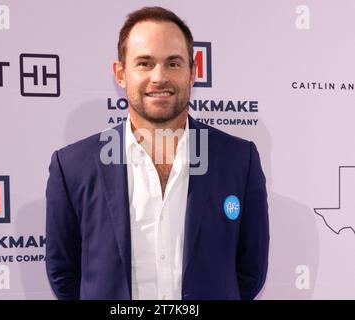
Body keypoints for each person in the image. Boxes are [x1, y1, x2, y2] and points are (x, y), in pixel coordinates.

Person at [45, 6, 269, 300]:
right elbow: (65, 273)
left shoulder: (240, 160)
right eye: (145, 63)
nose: (159, 77)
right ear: (121, 74)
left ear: (193, 72)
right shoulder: (72, 166)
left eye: (173, 63)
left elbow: (250, 272)